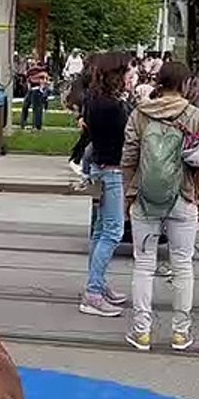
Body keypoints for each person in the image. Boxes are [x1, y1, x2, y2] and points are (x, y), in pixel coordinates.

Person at [121, 60, 199, 352]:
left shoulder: (140, 114)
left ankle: (142, 332)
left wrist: (128, 194)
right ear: (185, 84)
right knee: (183, 265)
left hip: (144, 197)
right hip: (183, 197)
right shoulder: (195, 116)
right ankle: (180, 333)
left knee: (144, 265)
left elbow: (129, 158)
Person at [80, 56, 131, 317]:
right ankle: (94, 291)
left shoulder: (92, 100)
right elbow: (126, 137)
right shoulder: (114, 107)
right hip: (112, 170)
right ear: (116, 76)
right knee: (113, 231)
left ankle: (97, 283)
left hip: (99, 167)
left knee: (100, 231)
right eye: (126, 73)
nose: (129, 77)